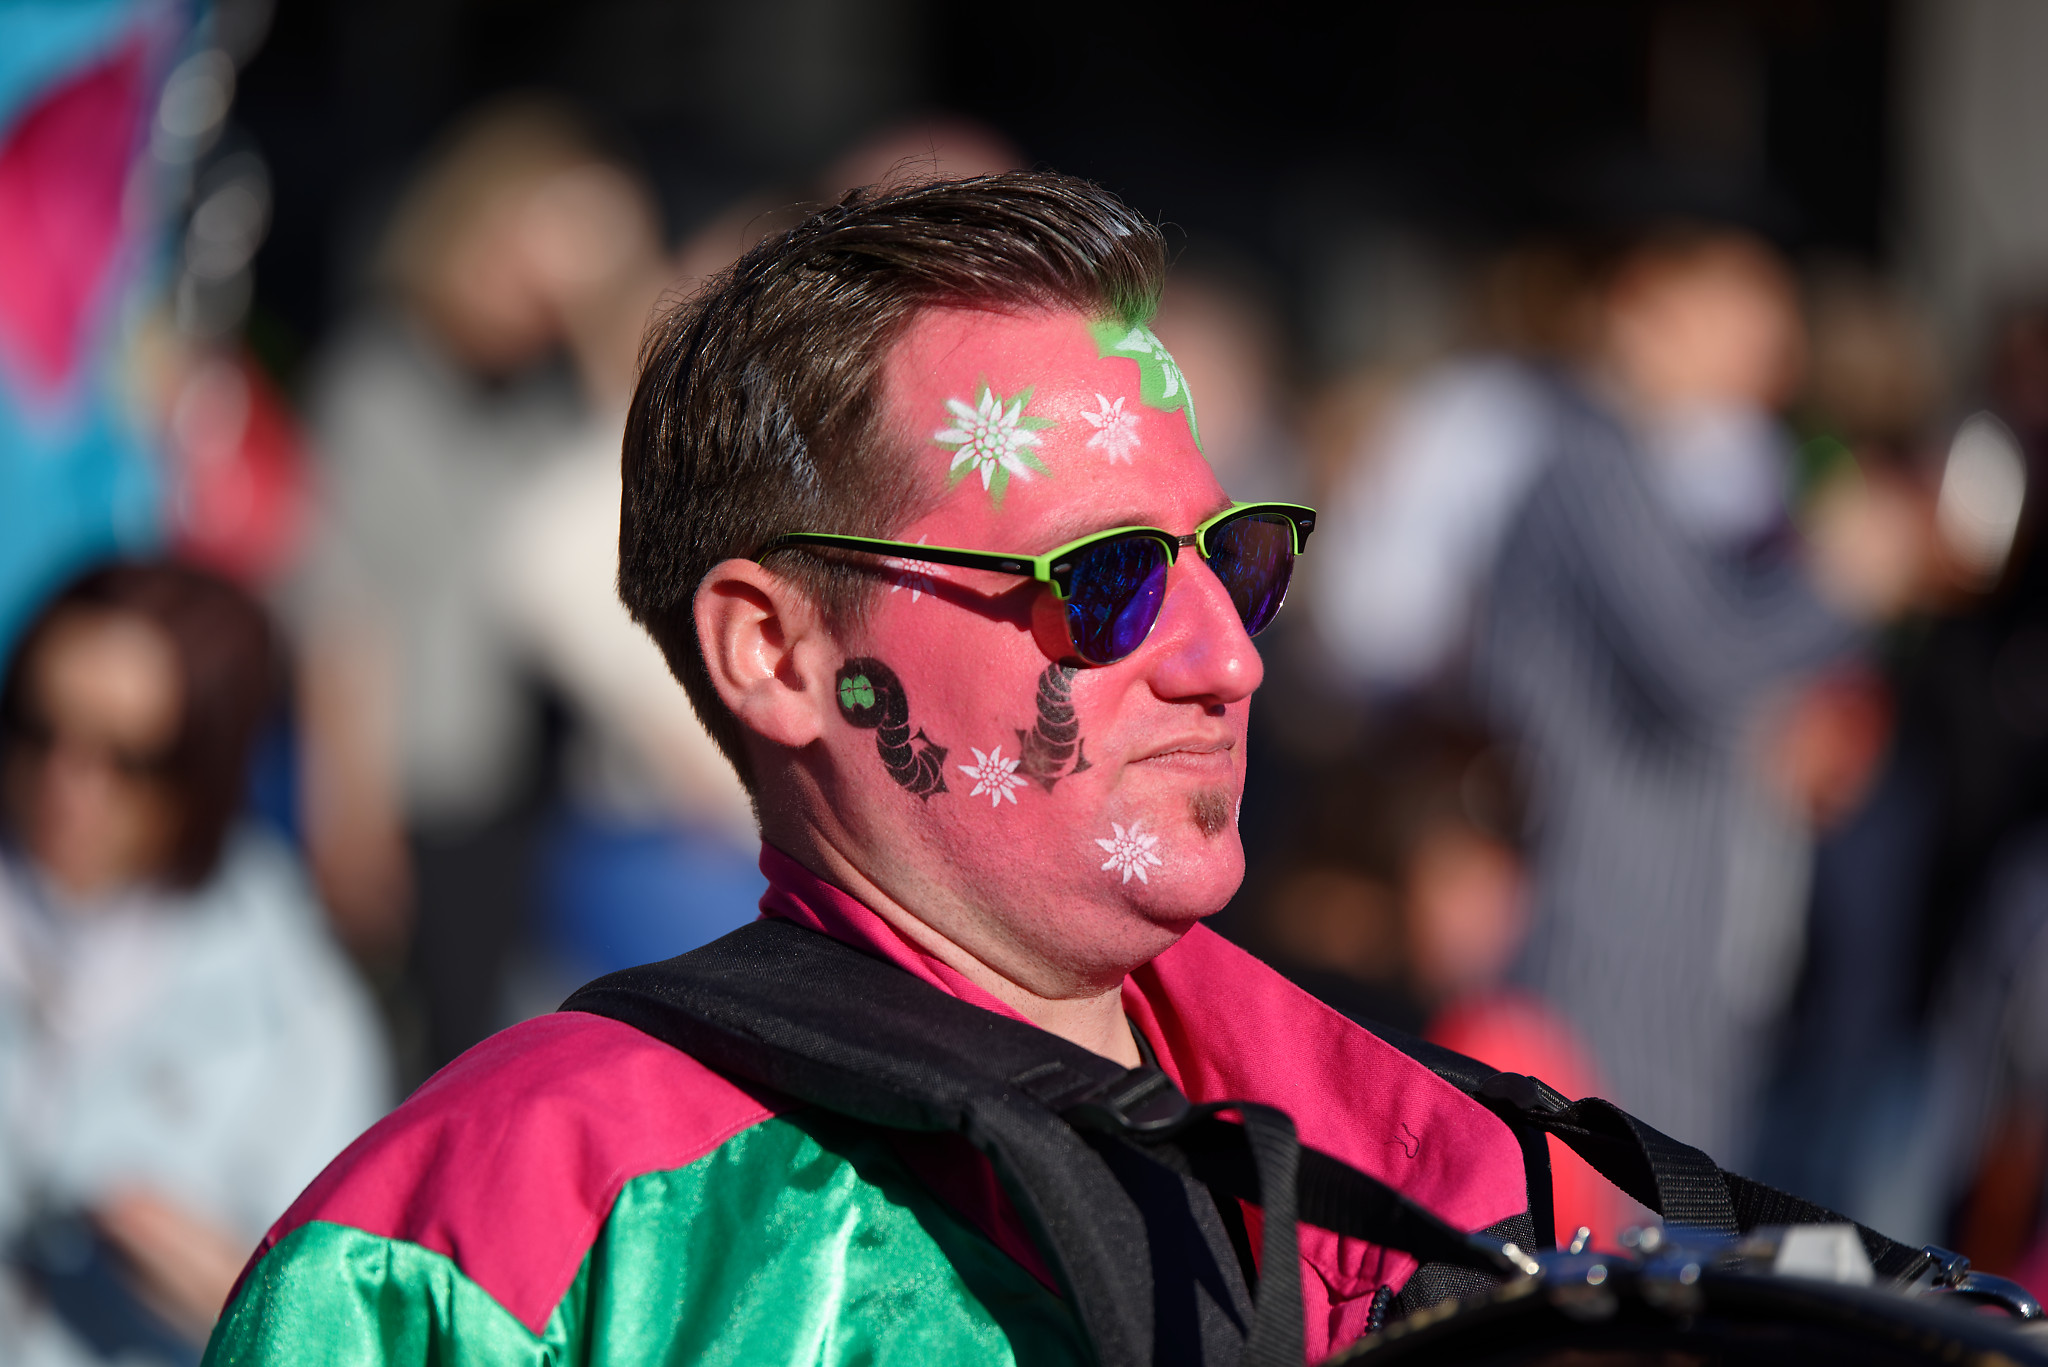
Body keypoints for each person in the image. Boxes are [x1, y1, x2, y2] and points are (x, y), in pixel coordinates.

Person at [204, 173, 1535, 1365]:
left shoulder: (1429, 1174)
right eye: (1107, 578)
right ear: (778, 652)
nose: (1229, 660)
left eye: (1236, 560)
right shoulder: (462, 1259)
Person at [0, 562, 388, 1362]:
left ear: (205, 774)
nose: (67, 784)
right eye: (39, 729)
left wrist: (227, 1291)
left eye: (129, 758)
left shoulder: (293, 1007)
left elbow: (347, 1334)